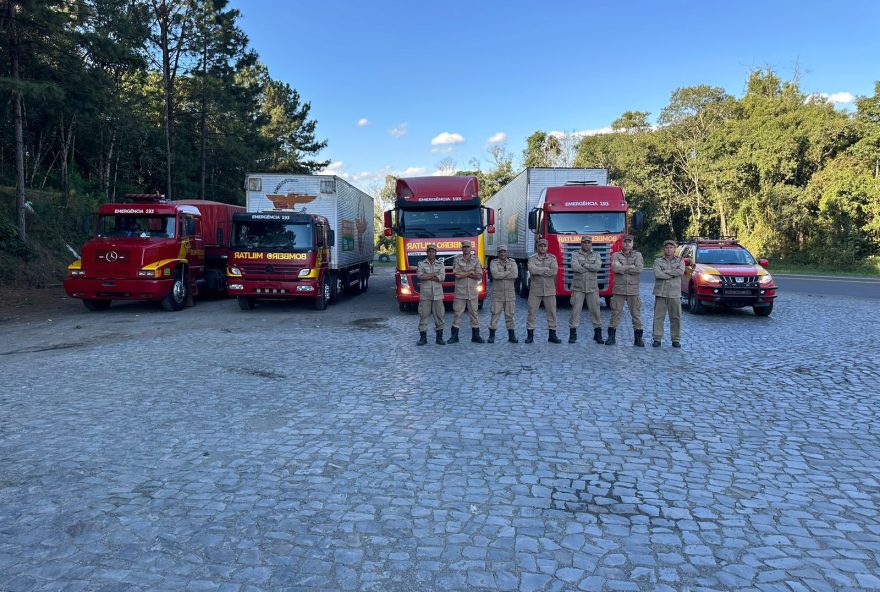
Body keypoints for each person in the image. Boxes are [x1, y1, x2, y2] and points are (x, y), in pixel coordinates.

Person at [605, 235, 644, 346]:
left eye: (629, 242)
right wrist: (630, 266)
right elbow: (615, 268)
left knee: (636, 314)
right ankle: (611, 338)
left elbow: (639, 269)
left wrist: (623, 268)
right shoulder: (616, 255)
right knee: (615, 313)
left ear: (632, 243)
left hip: (633, 290)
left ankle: (638, 339)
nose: (627, 244)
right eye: (625, 242)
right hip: (619, 289)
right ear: (622, 243)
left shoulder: (638, 255)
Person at [568, 236, 603, 344]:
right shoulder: (575, 254)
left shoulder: (596, 255)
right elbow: (575, 267)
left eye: (588, 242)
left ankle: (598, 334)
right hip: (578, 287)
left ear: (591, 244)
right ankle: (573, 334)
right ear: (581, 243)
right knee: (575, 312)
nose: (586, 244)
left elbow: (597, 267)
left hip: (592, 288)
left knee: (595, 311)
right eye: (584, 242)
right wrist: (589, 267)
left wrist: (584, 264)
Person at [526, 238, 561, 343]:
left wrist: (539, 270)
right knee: (532, 312)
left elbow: (554, 271)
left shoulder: (552, 258)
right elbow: (532, 270)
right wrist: (546, 269)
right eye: (540, 245)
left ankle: (552, 335)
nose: (542, 247)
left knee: (552, 313)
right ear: (537, 247)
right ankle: (530, 336)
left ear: (547, 247)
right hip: (535, 290)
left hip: (549, 290)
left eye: (544, 246)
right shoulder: (532, 258)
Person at [448, 240, 484, 343]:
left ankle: (475, 336)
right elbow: (457, 275)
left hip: (472, 291)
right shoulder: (457, 259)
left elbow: (479, 275)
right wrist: (470, 272)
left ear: (471, 248)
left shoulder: (476, 260)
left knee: (474, 313)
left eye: (468, 247)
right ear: (462, 248)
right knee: (457, 314)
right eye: (464, 247)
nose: (466, 249)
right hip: (460, 292)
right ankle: (454, 337)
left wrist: (465, 273)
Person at [652, 239, 685, 347]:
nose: (669, 249)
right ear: (664, 249)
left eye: (671, 247)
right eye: (667, 247)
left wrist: (666, 271)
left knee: (676, 317)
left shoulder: (680, 260)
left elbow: (680, 272)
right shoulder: (658, 261)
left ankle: (675, 339)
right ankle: (657, 338)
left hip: (674, 293)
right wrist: (672, 274)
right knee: (658, 317)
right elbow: (658, 274)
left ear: (674, 249)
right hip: (661, 292)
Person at [416, 244, 446, 346]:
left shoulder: (440, 264)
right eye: (429, 251)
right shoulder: (421, 263)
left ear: (435, 253)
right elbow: (420, 276)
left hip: (438, 295)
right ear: (426, 252)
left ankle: (439, 338)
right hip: (425, 295)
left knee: (439, 316)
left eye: (433, 251)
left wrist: (427, 276)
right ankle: (423, 339)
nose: (431, 253)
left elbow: (442, 277)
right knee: (423, 316)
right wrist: (434, 274)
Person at [488, 245, 518, 343]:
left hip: (510, 294)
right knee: (495, 314)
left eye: (504, 251)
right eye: (500, 252)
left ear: (507, 252)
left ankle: (511, 336)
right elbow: (495, 275)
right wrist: (508, 273)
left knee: (510, 315)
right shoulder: (493, 263)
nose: (502, 253)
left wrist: (503, 275)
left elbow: (515, 274)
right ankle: (491, 336)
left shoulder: (513, 263)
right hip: (498, 294)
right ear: (498, 253)